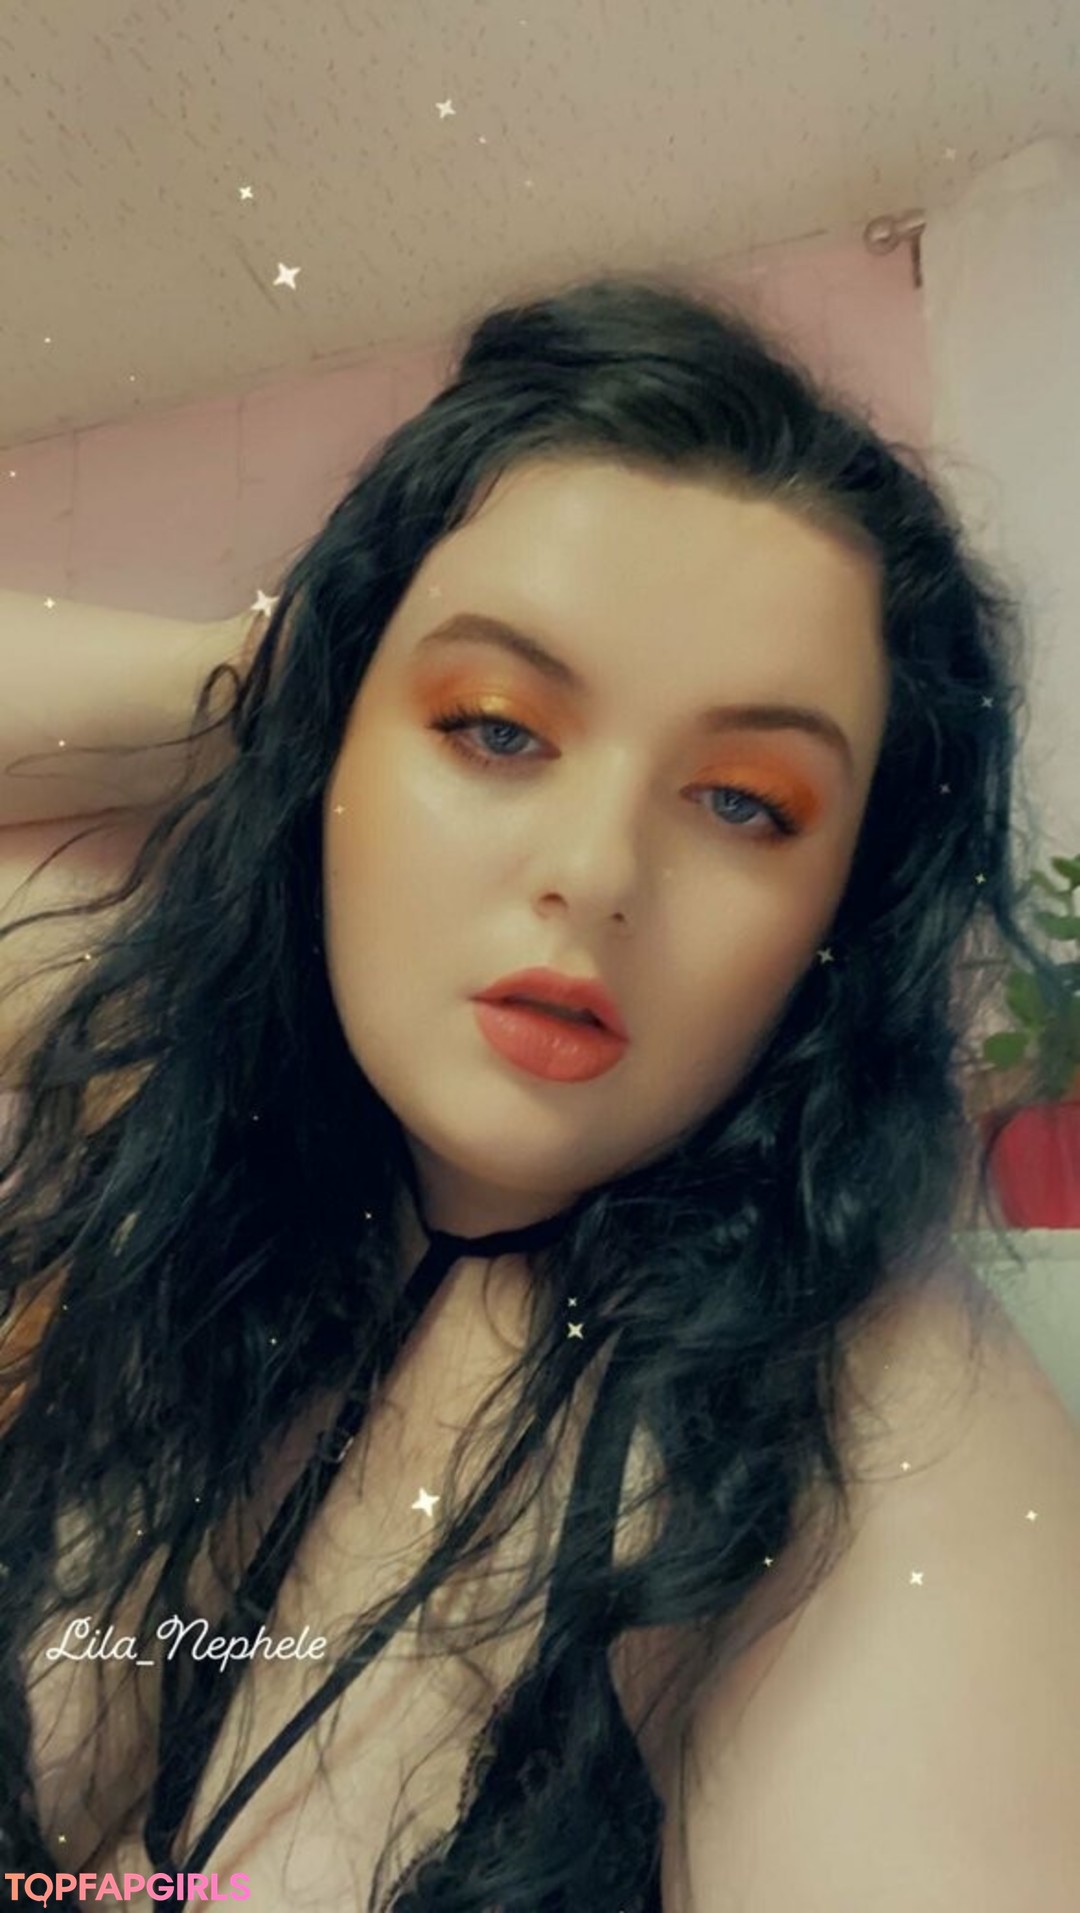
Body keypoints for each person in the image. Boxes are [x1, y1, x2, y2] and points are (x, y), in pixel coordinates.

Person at [0, 273, 1077, 1913]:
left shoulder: (872, 1420)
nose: (596, 869)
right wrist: (254, 669)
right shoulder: (179, 1131)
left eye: (745, 800)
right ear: (331, 748)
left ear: (842, 913)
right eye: (497, 727)